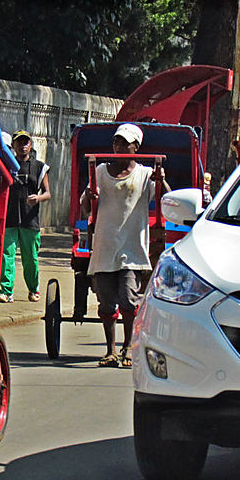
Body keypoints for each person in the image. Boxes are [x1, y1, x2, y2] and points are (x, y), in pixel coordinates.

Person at [80, 123, 169, 368]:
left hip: (132, 248)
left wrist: (161, 181)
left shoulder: (145, 174)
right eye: (116, 142)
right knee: (106, 302)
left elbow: (165, 199)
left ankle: (127, 347)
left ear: (136, 148)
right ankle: (110, 350)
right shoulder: (99, 171)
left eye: (124, 143)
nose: (119, 147)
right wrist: (90, 195)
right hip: (105, 247)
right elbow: (85, 206)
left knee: (129, 299)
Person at [0, 130, 50, 303]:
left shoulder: (39, 166)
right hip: (10, 217)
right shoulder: (6, 165)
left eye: (26, 142)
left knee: (31, 259)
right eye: (19, 142)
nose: (23, 146)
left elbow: (47, 193)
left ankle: (33, 289)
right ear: (13, 146)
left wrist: (38, 198)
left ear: (31, 145)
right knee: (7, 255)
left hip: (30, 220)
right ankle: (6, 291)